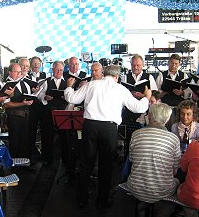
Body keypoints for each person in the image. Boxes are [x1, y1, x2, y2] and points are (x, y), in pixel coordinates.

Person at [64, 65, 151, 209]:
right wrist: (146, 98)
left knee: (86, 163)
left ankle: (82, 198)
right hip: (109, 129)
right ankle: (102, 200)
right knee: (106, 165)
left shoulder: (91, 84)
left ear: (104, 74)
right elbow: (139, 108)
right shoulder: (120, 89)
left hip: (90, 126)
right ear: (117, 77)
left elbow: (72, 98)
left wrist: (68, 87)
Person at [127, 103, 181, 217]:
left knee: (147, 179)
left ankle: (143, 209)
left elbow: (132, 159)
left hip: (135, 186)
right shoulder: (173, 139)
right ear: (168, 119)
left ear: (149, 116)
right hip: (160, 189)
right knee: (177, 184)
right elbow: (175, 169)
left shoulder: (136, 134)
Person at [37, 61, 68, 165]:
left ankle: (64, 160)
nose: (59, 72)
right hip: (48, 114)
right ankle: (47, 159)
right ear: (52, 69)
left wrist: (66, 97)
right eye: (57, 69)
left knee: (64, 138)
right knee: (47, 137)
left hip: (63, 114)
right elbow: (39, 94)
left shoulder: (68, 82)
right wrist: (44, 97)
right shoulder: (45, 81)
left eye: (61, 70)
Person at [4, 63, 33, 159]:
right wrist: (22, 104)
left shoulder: (24, 83)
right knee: (14, 141)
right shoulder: (6, 85)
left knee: (25, 140)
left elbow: (29, 97)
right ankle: (14, 165)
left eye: (19, 72)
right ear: (10, 72)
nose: (18, 74)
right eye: (16, 72)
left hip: (25, 116)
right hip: (13, 117)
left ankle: (24, 163)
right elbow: (6, 104)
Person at [121, 54, 157, 122]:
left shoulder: (149, 77)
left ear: (142, 65)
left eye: (138, 65)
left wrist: (144, 95)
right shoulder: (125, 77)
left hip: (144, 111)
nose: (136, 67)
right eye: (133, 65)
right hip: (129, 110)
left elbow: (155, 94)